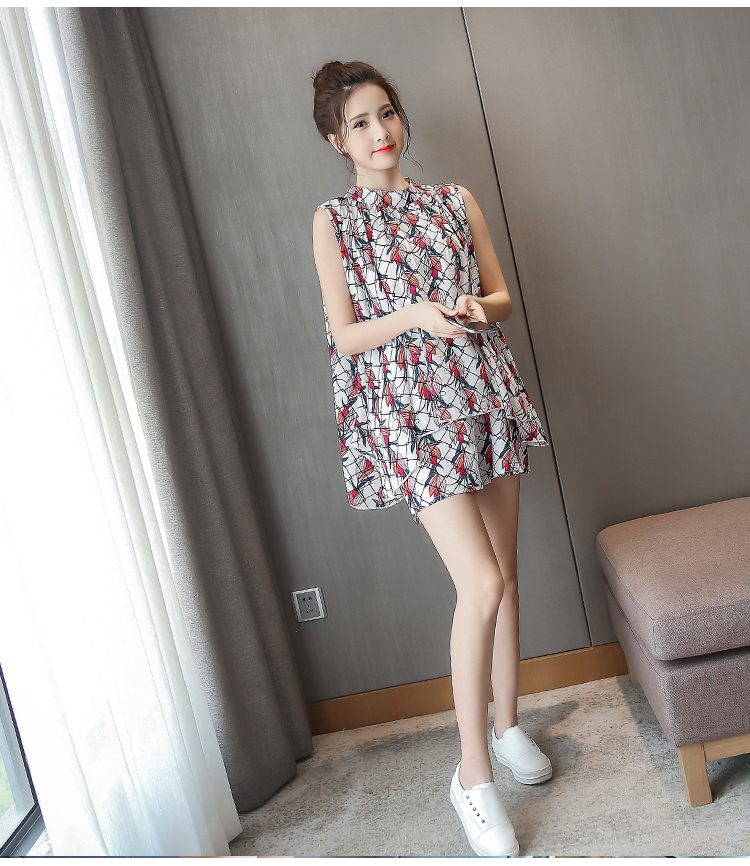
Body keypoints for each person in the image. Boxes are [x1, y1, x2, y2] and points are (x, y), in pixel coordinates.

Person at [311, 60, 552, 858]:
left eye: (386, 113)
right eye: (360, 123)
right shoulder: (334, 222)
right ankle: (472, 777)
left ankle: (508, 726)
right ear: (336, 140)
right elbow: (347, 335)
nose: (380, 133)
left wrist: (475, 308)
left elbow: (502, 296)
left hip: (483, 391)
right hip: (412, 416)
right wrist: (417, 315)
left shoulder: (454, 200)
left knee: (507, 574)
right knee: (478, 584)